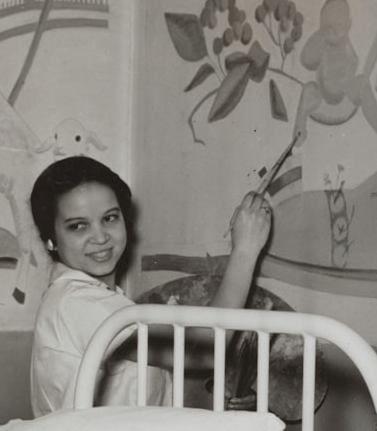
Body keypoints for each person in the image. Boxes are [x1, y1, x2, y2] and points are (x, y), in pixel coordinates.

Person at [28, 156, 272, 416]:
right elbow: (204, 351)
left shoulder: (103, 301)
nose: (100, 237)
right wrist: (245, 250)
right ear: (50, 241)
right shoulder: (77, 304)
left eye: (110, 218)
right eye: (78, 226)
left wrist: (217, 399)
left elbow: (141, 392)